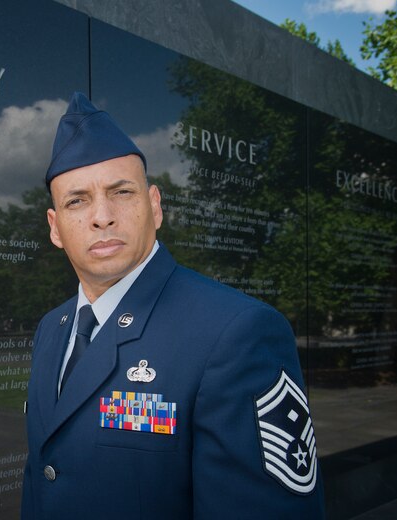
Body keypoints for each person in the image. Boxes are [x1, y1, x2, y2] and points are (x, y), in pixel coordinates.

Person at [21, 92, 325, 518]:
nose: (102, 216)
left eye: (121, 192)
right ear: (55, 228)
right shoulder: (52, 329)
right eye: (77, 200)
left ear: (155, 206)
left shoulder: (236, 332)